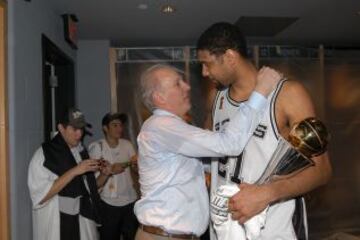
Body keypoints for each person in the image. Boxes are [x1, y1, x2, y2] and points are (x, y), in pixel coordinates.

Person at [196, 22, 332, 240]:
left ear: (230, 57)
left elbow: (322, 170)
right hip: (224, 230)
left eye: (207, 64)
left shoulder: (288, 94)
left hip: (274, 229)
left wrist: (267, 193)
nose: (203, 72)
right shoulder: (215, 98)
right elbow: (211, 156)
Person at [134, 63, 282, 240]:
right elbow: (229, 143)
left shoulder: (166, 129)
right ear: (159, 97)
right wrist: (261, 91)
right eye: (177, 83)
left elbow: (210, 164)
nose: (187, 87)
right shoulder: (162, 126)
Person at [28, 108, 104, 240]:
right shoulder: (44, 155)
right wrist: (75, 171)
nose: (79, 134)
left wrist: (106, 174)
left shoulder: (80, 151)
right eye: (74, 129)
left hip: (82, 221)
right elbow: (40, 196)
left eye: (81, 129)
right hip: (57, 223)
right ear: (61, 128)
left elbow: (89, 189)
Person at [88, 112, 139, 240]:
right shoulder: (97, 147)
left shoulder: (127, 144)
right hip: (108, 204)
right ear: (105, 128)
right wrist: (111, 169)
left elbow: (136, 169)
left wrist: (136, 164)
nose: (119, 129)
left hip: (129, 202)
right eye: (115, 125)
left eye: (120, 125)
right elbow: (93, 182)